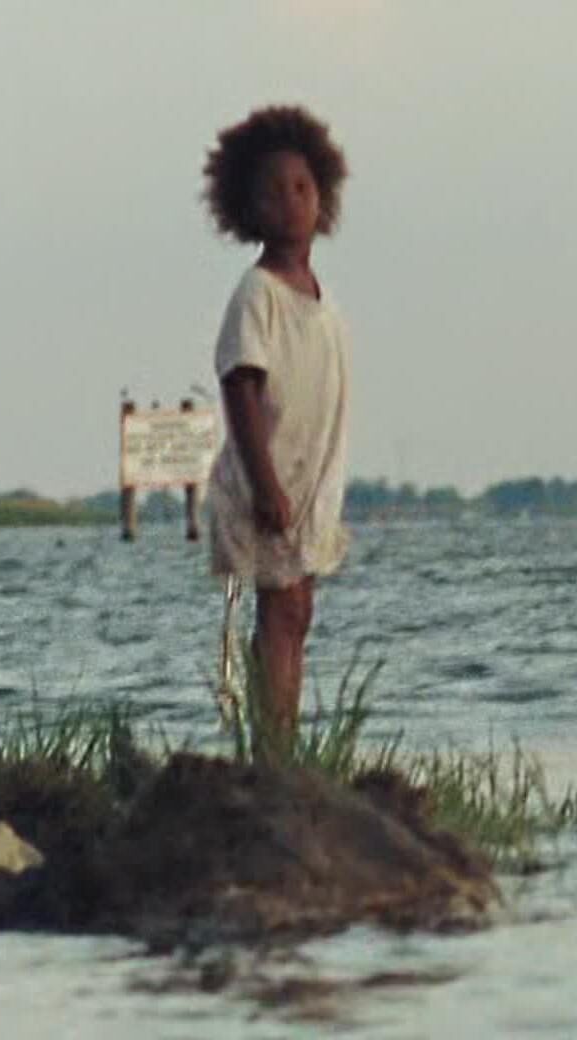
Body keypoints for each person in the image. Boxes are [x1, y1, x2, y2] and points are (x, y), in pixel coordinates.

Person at [201, 105, 352, 756]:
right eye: (273, 192)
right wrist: (264, 483)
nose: (291, 203)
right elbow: (240, 384)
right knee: (281, 609)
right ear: (247, 209)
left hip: (309, 480)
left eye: (301, 188)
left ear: (323, 197)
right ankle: (273, 748)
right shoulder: (257, 294)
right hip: (271, 481)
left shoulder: (319, 297)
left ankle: (281, 742)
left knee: (298, 609)